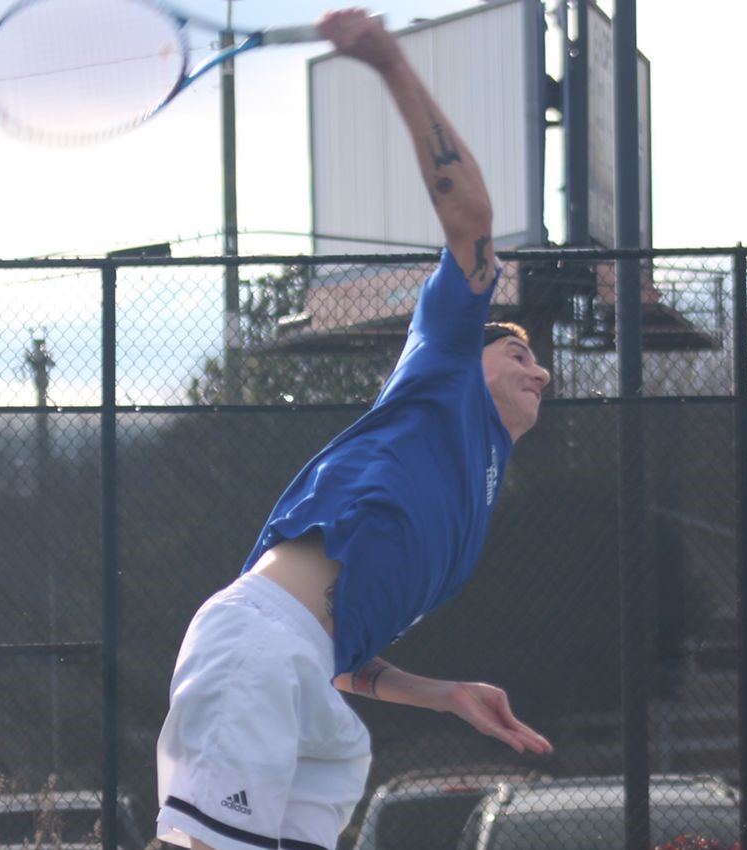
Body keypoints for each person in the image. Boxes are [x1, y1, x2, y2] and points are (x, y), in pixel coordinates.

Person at [156, 10, 553, 850]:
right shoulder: (441, 367)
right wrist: (387, 64)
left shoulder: (469, 508)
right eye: (514, 348)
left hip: (312, 683)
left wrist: (442, 693)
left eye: (539, 361)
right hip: (258, 641)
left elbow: (347, 657)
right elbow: (473, 219)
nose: (538, 368)